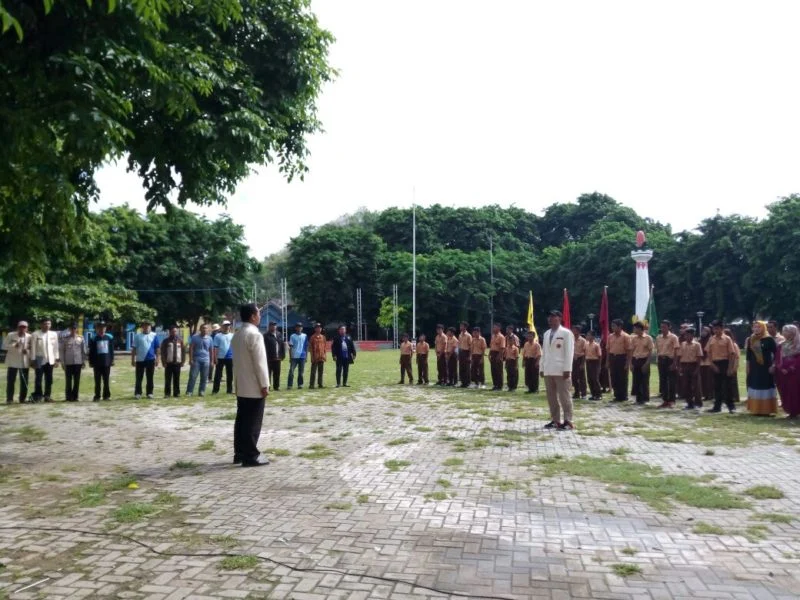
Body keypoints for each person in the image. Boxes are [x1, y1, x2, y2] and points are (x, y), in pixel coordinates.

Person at [231, 303, 270, 467]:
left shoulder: (237, 334)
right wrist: (265, 384)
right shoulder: (255, 335)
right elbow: (260, 363)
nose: (260, 317)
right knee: (252, 422)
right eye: (258, 314)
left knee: (241, 420)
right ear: (253, 316)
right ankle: (251, 455)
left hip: (241, 385)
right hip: (254, 386)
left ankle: (239, 453)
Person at [540, 310, 575, 430]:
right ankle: (555, 420)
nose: (550, 320)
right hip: (549, 369)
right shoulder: (546, 333)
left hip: (561, 370)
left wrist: (567, 369)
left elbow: (569, 353)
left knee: (564, 396)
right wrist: (542, 367)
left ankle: (568, 420)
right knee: (551, 397)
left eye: (553, 317)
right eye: (549, 317)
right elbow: (544, 352)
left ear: (559, 319)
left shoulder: (566, 333)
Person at [745, 321, 778, 415]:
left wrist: (773, 365)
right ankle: (756, 409)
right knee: (755, 385)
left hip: (766, 368)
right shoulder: (751, 339)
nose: (756, 329)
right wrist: (748, 367)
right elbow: (748, 355)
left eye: (758, 327)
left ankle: (766, 410)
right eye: (754, 327)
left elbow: (776, 354)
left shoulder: (769, 339)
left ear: (763, 328)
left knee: (765, 386)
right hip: (754, 368)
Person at [705, 320, 738, 414]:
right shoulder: (711, 339)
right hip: (715, 363)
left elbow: (732, 354)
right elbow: (708, 353)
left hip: (725, 363)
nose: (715, 330)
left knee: (728, 386)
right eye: (714, 329)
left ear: (722, 328)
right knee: (717, 386)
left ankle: (731, 406)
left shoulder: (727, 339)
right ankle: (717, 406)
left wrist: (730, 368)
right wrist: (712, 364)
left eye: (717, 328)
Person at [775, 324, 800, 419]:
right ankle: (789, 410)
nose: (784, 333)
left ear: (792, 333)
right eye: (783, 331)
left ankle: (795, 410)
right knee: (785, 391)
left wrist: (790, 369)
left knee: (795, 391)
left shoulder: (798, 345)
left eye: (786, 331)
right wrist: (780, 368)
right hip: (783, 373)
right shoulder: (781, 345)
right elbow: (777, 358)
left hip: (795, 373)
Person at [31, 318, 59, 402]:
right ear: (41, 325)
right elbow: (33, 348)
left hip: (50, 359)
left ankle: (47, 396)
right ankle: (38, 396)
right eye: (45, 323)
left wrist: (56, 359)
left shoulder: (54, 334)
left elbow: (56, 347)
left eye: (49, 324)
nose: (47, 325)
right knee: (38, 378)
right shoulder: (35, 334)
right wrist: (33, 360)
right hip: (39, 358)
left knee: (49, 379)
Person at [131, 320, 160, 399]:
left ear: (150, 327)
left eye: (148, 326)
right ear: (142, 327)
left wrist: (157, 359)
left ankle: (149, 393)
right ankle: (138, 393)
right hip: (140, 360)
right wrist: (133, 359)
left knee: (150, 377)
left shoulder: (154, 335)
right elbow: (134, 349)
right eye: (144, 326)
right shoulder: (137, 336)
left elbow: (157, 348)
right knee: (139, 377)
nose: (146, 327)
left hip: (150, 359)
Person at [5, 321, 32, 404]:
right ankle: (9, 399)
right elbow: (5, 346)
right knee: (11, 381)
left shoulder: (30, 336)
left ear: (27, 328)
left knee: (24, 381)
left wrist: (27, 351)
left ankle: (22, 399)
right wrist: (14, 346)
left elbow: (32, 348)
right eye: (21, 327)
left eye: (24, 327)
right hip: (13, 361)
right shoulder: (11, 335)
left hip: (24, 362)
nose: (22, 328)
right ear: (17, 327)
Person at [655, 320, 680, 408]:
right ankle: (665, 400)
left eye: (664, 327)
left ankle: (672, 400)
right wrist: (658, 360)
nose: (663, 329)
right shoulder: (658, 337)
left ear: (669, 327)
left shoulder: (673, 337)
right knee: (663, 381)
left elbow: (676, 351)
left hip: (670, 360)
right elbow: (657, 350)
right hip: (661, 360)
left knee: (672, 381)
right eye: (661, 327)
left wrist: (675, 363)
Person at [60, 322, 87, 401]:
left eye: (75, 328)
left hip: (78, 362)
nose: (73, 330)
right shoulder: (65, 339)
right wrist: (62, 362)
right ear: (69, 329)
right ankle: (68, 397)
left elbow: (83, 351)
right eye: (72, 328)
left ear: (77, 329)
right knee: (68, 381)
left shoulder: (81, 338)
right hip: (68, 362)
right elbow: (62, 351)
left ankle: (75, 397)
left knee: (76, 381)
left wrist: (83, 361)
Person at [678, 327, 703, 410]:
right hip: (685, 365)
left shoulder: (697, 344)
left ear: (692, 335)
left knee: (696, 386)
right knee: (686, 385)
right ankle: (689, 403)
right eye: (686, 335)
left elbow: (699, 357)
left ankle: (698, 403)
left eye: (689, 334)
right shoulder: (683, 344)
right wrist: (680, 367)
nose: (687, 336)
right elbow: (680, 356)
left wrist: (697, 369)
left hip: (693, 365)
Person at [607, 319, 632, 402]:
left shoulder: (626, 336)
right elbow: (608, 349)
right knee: (614, 377)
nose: (612, 327)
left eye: (614, 326)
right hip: (612, 357)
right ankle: (617, 395)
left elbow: (629, 350)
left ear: (620, 326)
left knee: (623, 377)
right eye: (612, 326)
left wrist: (627, 363)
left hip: (622, 358)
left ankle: (623, 396)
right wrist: (607, 361)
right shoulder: (610, 336)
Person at [88, 322, 114, 401]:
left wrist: (112, 360)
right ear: (96, 329)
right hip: (97, 363)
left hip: (106, 362)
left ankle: (106, 396)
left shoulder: (109, 337)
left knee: (106, 380)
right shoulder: (93, 338)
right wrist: (90, 362)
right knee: (97, 380)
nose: (101, 329)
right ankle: (97, 396)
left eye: (103, 327)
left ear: (105, 328)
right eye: (99, 328)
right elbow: (91, 351)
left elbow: (111, 350)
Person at [186, 324, 213, 397]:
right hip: (196, 359)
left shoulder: (210, 338)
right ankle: (189, 391)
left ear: (208, 330)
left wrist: (212, 361)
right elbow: (191, 348)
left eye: (206, 328)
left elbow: (211, 350)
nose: (205, 330)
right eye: (203, 328)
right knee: (193, 376)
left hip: (206, 360)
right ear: (200, 329)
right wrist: (191, 359)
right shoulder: (195, 337)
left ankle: (201, 391)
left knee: (204, 377)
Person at [630, 322, 654, 404]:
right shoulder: (634, 338)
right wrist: (631, 363)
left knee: (644, 380)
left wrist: (647, 363)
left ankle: (645, 398)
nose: (634, 330)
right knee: (636, 380)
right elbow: (631, 351)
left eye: (635, 328)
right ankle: (638, 398)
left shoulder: (648, 338)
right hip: (635, 360)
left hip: (644, 360)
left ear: (640, 329)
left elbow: (651, 351)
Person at [161, 325, 185, 398]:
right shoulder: (165, 341)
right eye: (172, 331)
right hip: (168, 363)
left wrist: (183, 361)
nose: (174, 332)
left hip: (177, 363)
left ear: (177, 331)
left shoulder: (180, 340)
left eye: (175, 331)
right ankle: (167, 394)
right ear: (170, 332)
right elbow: (163, 352)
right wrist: (164, 362)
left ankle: (176, 393)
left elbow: (183, 352)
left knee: (177, 379)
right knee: (168, 379)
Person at [212, 320, 234, 395]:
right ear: (222, 326)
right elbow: (215, 348)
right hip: (220, 358)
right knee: (218, 375)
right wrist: (215, 358)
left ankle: (229, 390)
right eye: (225, 325)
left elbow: (235, 347)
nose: (227, 327)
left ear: (230, 326)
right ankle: (215, 390)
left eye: (228, 325)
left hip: (230, 357)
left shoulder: (232, 335)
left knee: (230, 375)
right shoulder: (218, 336)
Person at [263, 322, 285, 391]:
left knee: (277, 373)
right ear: (269, 327)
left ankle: (276, 386)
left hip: (278, 357)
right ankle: (268, 386)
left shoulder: (279, 334)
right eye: (272, 326)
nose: (273, 327)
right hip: (269, 358)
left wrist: (283, 355)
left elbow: (282, 345)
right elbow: (263, 347)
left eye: (275, 325)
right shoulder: (265, 336)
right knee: (268, 373)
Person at [287, 322, 308, 390]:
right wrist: (290, 357)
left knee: (301, 372)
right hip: (294, 357)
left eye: (300, 327)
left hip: (302, 356)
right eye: (298, 327)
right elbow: (290, 347)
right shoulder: (292, 336)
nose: (299, 328)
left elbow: (306, 347)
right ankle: (290, 385)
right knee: (291, 371)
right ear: (296, 328)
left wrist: (306, 357)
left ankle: (300, 384)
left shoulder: (305, 335)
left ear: (302, 328)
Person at [724, 328, 741, 404]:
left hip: (733, 365)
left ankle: (735, 397)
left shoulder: (734, 345)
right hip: (726, 365)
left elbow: (737, 357)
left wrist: (735, 367)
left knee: (733, 382)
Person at [585, 330, 603, 400]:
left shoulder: (596, 345)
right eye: (587, 335)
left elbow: (599, 356)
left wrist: (599, 365)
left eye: (589, 335)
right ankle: (593, 394)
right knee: (589, 379)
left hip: (595, 362)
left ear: (593, 336)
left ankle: (599, 395)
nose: (587, 336)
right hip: (588, 362)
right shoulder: (586, 344)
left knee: (595, 379)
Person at [570, 324, 587, 400]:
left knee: (581, 377)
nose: (573, 331)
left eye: (574, 330)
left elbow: (585, 352)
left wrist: (583, 363)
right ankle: (576, 392)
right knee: (574, 377)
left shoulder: (583, 340)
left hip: (580, 359)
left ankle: (583, 393)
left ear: (578, 331)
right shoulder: (571, 339)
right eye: (572, 330)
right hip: (572, 360)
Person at [308, 323, 327, 389]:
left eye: (320, 328)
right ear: (315, 329)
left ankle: (320, 384)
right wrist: (312, 357)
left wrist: (325, 355)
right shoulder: (312, 337)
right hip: (315, 357)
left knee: (321, 371)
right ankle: (311, 384)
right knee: (313, 372)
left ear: (321, 329)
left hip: (321, 356)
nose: (319, 329)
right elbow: (310, 348)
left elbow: (325, 347)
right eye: (317, 327)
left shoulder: (323, 337)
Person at [699, 326, 714, 403]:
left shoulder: (711, 339)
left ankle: (710, 394)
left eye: (705, 331)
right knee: (703, 380)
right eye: (702, 331)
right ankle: (705, 394)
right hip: (701, 363)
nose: (703, 333)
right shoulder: (700, 340)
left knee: (709, 380)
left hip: (709, 362)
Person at [489, 323, 506, 391]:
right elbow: (491, 346)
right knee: (493, 370)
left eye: (495, 327)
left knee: (499, 371)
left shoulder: (501, 337)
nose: (493, 329)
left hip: (498, 354)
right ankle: (495, 384)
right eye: (493, 327)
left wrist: (499, 357)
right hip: (493, 354)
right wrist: (490, 354)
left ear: (499, 328)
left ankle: (499, 386)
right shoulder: (493, 336)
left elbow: (502, 348)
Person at [457, 322, 472, 388]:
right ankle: (463, 382)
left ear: (465, 327)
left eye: (462, 326)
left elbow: (470, 346)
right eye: (460, 326)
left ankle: (467, 382)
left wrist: (470, 356)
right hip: (461, 352)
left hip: (466, 352)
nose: (460, 327)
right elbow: (459, 344)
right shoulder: (460, 335)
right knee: (461, 367)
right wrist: (458, 353)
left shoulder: (468, 335)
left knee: (467, 368)